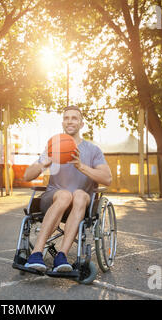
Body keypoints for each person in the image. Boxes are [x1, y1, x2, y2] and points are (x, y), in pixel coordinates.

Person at [23, 105, 112, 273]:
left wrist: (80, 166)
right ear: (63, 122)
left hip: (81, 202)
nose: (70, 121)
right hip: (54, 199)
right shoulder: (53, 146)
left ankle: (62, 255)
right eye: (66, 118)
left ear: (81, 123)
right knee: (65, 195)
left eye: (74, 118)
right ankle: (36, 254)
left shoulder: (93, 150)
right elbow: (27, 175)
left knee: (78, 194)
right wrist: (44, 163)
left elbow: (107, 179)